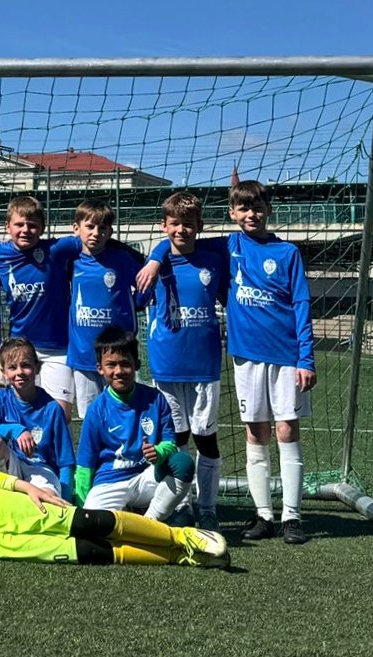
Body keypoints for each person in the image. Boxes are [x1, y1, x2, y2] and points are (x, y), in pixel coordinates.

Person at [138, 181, 316, 544]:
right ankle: (263, 515)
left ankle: (292, 516)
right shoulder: (227, 246)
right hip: (245, 356)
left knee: (286, 430)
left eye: (258, 207)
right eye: (243, 209)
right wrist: (155, 259)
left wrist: (306, 358)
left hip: (286, 355)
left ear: (269, 210)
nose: (252, 214)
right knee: (255, 433)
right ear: (232, 213)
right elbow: (176, 236)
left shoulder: (287, 252)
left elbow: (301, 303)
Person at [0, 405, 229, 568]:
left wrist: (23, 487)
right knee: (89, 552)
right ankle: (182, 557)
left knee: (88, 522)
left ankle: (181, 537)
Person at [141, 192, 229, 529]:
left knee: (206, 439)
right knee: (173, 440)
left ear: (200, 226)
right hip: (166, 364)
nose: (181, 230)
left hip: (204, 365)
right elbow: (138, 300)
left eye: (188, 224)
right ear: (163, 226)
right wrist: (155, 257)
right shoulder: (156, 265)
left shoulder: (214, 260)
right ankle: (181, 504)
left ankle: (208, 508)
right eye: (174, 223)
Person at [75, 326, 195, 522]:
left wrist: (158, 452)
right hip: (110, 481)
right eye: (111, 365)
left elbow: (171, 443)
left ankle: (150, 523)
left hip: (146, 476)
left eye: (125, 364)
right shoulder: (97, 410)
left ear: (137, 364)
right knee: (93, 528)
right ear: (100, 368)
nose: (118, 371)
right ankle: (134, 515)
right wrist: (82, 513)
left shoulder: (155, 399)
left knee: (182, 462)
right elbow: (84, 465)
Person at [0, 196, 81, 417]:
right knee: (23, 414)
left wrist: (153, 259)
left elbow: (94, 239)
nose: (25, 230)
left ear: (42, 228)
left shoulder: (57, 249)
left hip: (58, 348)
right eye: (19, 224)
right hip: (20, 347)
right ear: (7, 227)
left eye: (32, 225)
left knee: (59, 415)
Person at [67, 200, 146, 418]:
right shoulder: (70, 260)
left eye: (102, 228)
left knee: (124, 412)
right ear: (76, 228)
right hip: (84, 354)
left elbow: (146, 285)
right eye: (90, 226)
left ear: (110, 231)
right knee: (91, 416)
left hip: (119, 352)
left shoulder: (123, 259)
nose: (96, 233)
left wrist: (136, 304)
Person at [0, 338, 75, 502]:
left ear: (37, 367)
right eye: (12, 367)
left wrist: (67, 502)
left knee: (46, 502)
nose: (19, 372)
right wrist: (16, 429)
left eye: (25, 365)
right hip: (11, 466)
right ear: (4, 372)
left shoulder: (52, 408)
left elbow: (66, 462)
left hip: (40, 470)